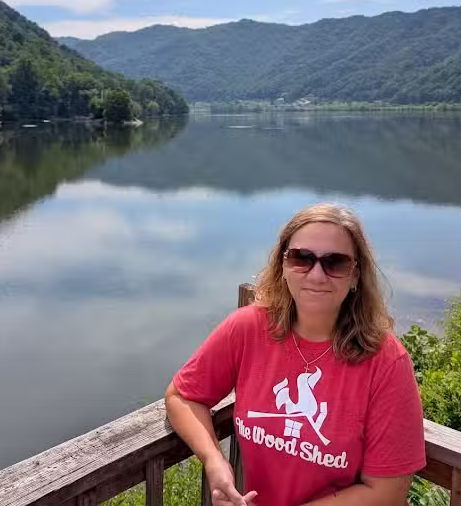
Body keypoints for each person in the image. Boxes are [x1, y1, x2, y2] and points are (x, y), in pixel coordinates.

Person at [165, 203, 426, 506]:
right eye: (302, 258)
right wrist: (214, 460)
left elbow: (387, 493)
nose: (316, 275)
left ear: (356, 276)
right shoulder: (250, 328)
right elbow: (183, 396)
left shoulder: (385, 362)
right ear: (283, 267)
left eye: (336, 263)